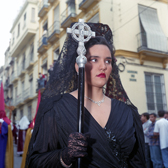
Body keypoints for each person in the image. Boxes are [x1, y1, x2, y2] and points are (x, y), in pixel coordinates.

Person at [25, 23, 145, 167]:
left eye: (108, 61)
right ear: (78, 66)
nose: (103, 66)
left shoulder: (127, 112)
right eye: (94, 60)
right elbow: (35, 162)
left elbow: (137, 161)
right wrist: (64, 156)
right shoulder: (55, 108)